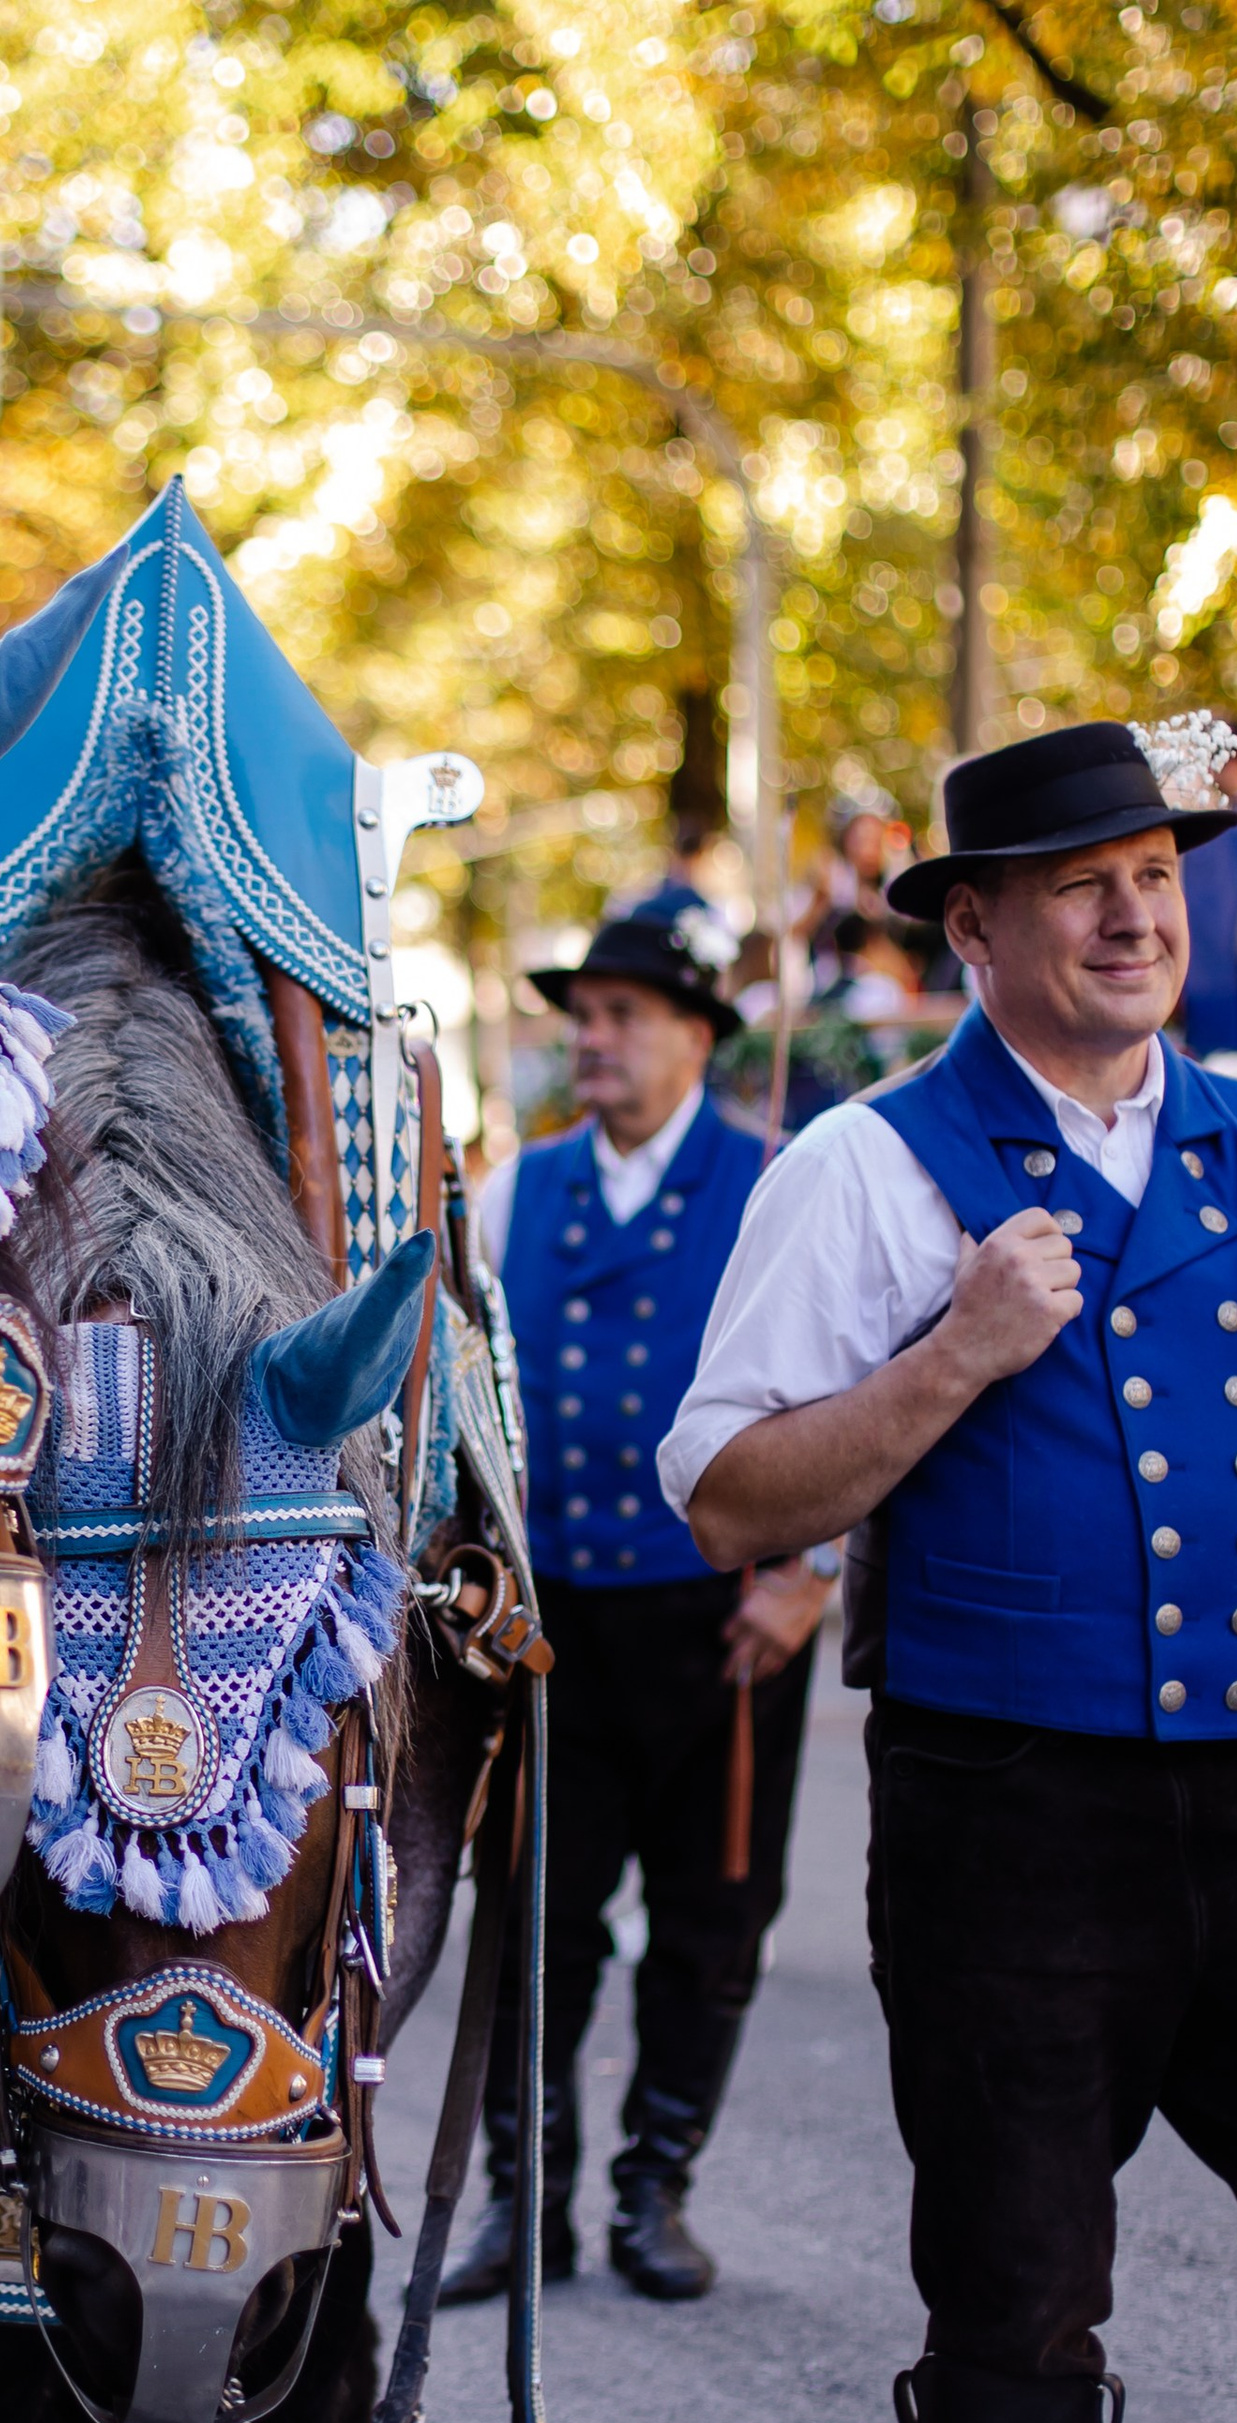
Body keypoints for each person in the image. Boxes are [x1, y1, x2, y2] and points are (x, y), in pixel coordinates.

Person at [661, 721, 1237, 2423]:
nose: (1136, 917)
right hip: (1011, 1827)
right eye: (1083, 887)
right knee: (1018, 2301)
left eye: (1154, 877)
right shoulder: (865, 1166)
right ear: (974, 930)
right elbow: (730, 1501)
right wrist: (955, 1355)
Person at [441, 909, 830, 2309]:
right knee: (533, 1917)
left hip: (725, 1626)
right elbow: (459, 1395)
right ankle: (521, 2201)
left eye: (622, 1016)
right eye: (583, 1016)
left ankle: (654, 2188)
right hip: (554, 1632)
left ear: (698, 1037)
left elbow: (851, 1374)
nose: (591, 1040)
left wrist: (809, 1575)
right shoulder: (514, 1191)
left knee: (712, 1917)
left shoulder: (777, 1179)